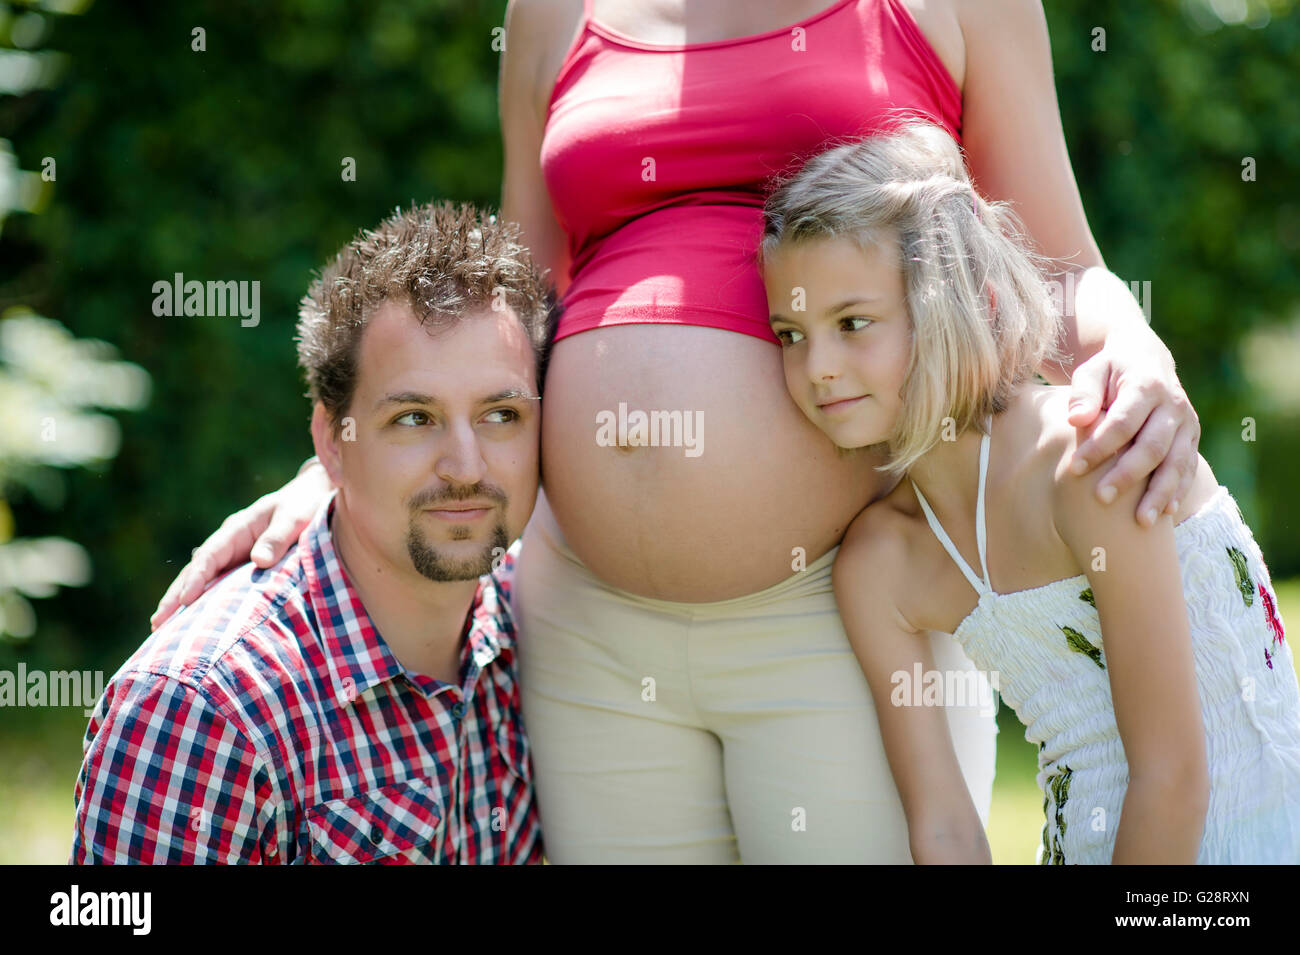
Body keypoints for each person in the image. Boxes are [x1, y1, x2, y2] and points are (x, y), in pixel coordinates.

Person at [151, 0, 1205, 863]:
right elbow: (505, 306)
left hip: (841, 601)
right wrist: (340, 460)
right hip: (589, 618)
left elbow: (1057, 269)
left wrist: (1137, 349)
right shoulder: (550, 16)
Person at [760, 119, 1300, 864]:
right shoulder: (879, 564)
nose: (816, 364)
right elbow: (943, 824)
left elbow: (1173, 776)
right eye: (789, 333)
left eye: (853, 322)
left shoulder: (1088, 458)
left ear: (956, 303)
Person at [73, 202, 550, 864]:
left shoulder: (542, 623)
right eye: (414, 418)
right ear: (332, 442)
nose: (466, 467)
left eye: (500, 413)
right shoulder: (201, 710)